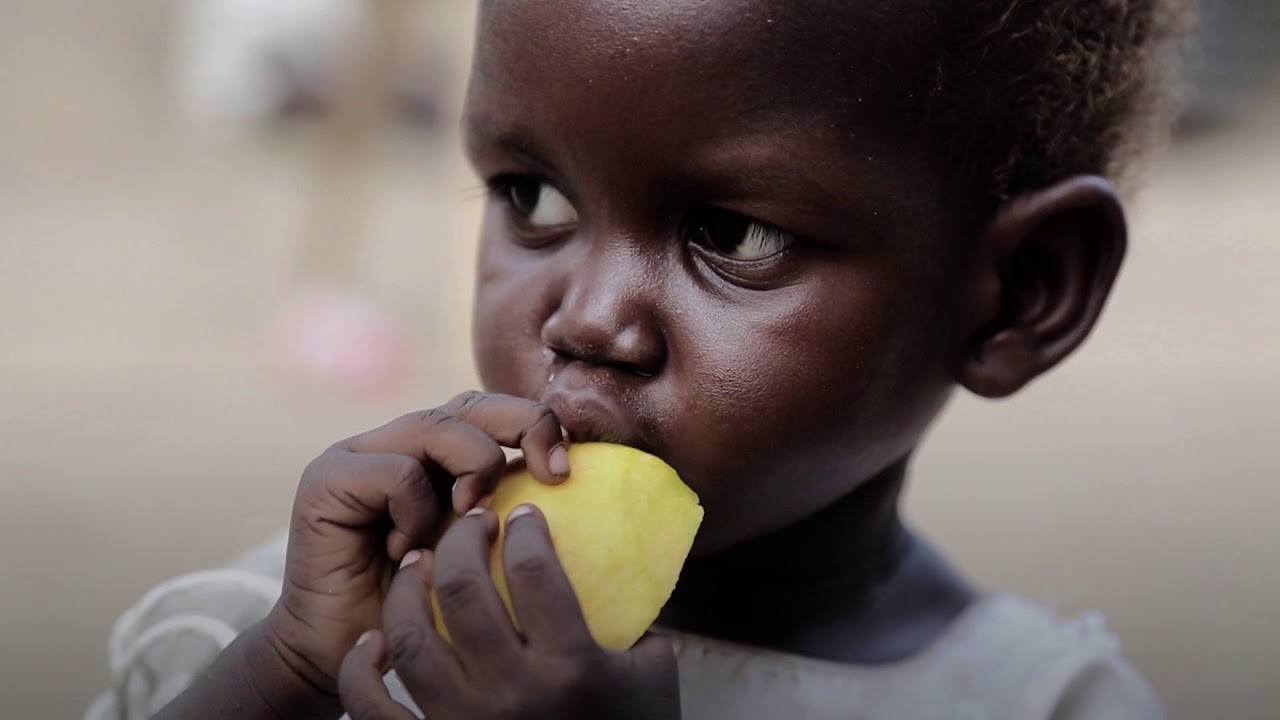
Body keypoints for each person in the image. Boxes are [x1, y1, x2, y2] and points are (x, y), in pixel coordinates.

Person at [87, 1, 1191, 718]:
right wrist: (280, 671)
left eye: (734, 236)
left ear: (1021, 293)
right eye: (534, 197)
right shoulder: (338, 620)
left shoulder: (1032, 703)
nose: (588, 321)